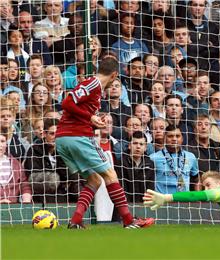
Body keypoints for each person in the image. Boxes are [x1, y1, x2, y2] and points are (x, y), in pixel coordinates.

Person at [55, 57, 154, 229]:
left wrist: (93, 121)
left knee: (94, 180)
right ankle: (129, 221)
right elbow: (66, 103)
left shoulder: (95, 88)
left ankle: (76, 221)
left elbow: (76, 111)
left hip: (64, 138)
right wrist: (90, 117)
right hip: (77, 137)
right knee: (110, 174)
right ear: (114, 75)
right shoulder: (93, 83)